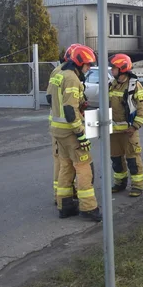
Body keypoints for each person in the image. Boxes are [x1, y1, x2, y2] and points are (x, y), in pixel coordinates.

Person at [48, 44, 102, 222]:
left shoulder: (59, 74)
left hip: (58, 131)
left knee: (65, 166)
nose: (88, 68)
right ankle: (88, 208)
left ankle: (65, 206)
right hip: (70, 132)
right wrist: (80, 134)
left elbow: (50, 98)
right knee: (84, 167)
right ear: (79, 63)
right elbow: (70, 111)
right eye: (87, 65)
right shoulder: (72, 78)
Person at [109, 53, 143, 197]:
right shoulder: (111, 85)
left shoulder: (134, 86)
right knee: (116, 159)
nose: (112, 70)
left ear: (122, 69)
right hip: (113, 131)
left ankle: (137, 185)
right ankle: (120, 183)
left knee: (133, 159)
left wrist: (135, 126)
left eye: (114, 67)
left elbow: (142, 108)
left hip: (129, 130)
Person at [47, 44, 79, 204]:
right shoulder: (70, 75)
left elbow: (48, 98)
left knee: (59, 161)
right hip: (67, 126)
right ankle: (69, 194)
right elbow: (70, 108)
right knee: (72, 162)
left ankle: (59, 196)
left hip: (54, 125)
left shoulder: (56, 71)